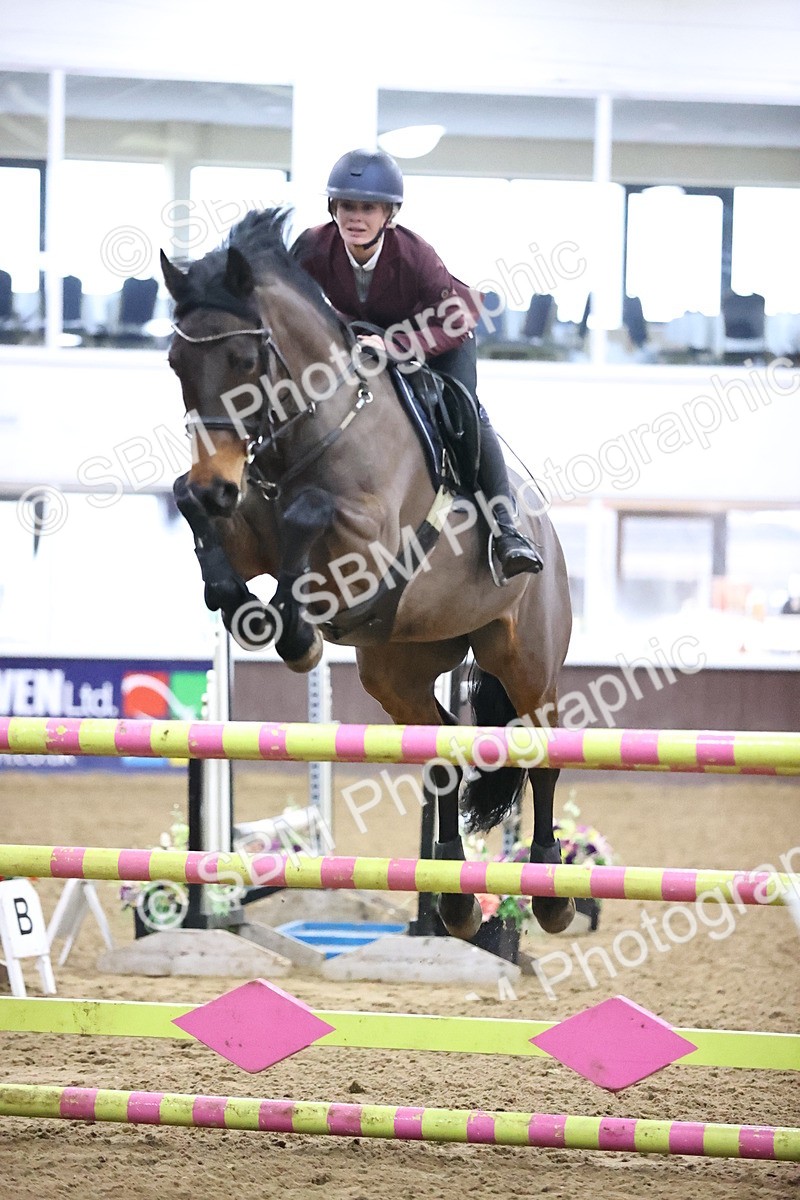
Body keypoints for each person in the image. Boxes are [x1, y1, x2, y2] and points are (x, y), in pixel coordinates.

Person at [292, 147, 543, 579]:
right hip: (364, 333)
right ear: (333, 207)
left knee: (465, 408)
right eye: (347, 205)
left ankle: (506, 529)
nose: (355, 217)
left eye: (367, 207)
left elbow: (452, 322)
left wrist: (395, 346)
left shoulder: (415, 255)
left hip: (442, 335)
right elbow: (291, 300)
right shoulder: (313, 246)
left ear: (389, 214)